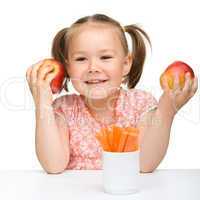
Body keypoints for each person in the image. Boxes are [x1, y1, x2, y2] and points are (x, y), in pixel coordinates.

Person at [26, 14, 198, 173]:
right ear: (68, 67)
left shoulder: (140, 103)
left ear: (126, 63)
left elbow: (144, 164)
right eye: (81, 59)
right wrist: (42, 104)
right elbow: (53, 165)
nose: (93, 68)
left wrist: (167, 109)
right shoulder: (64, 108)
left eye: (105, 57)